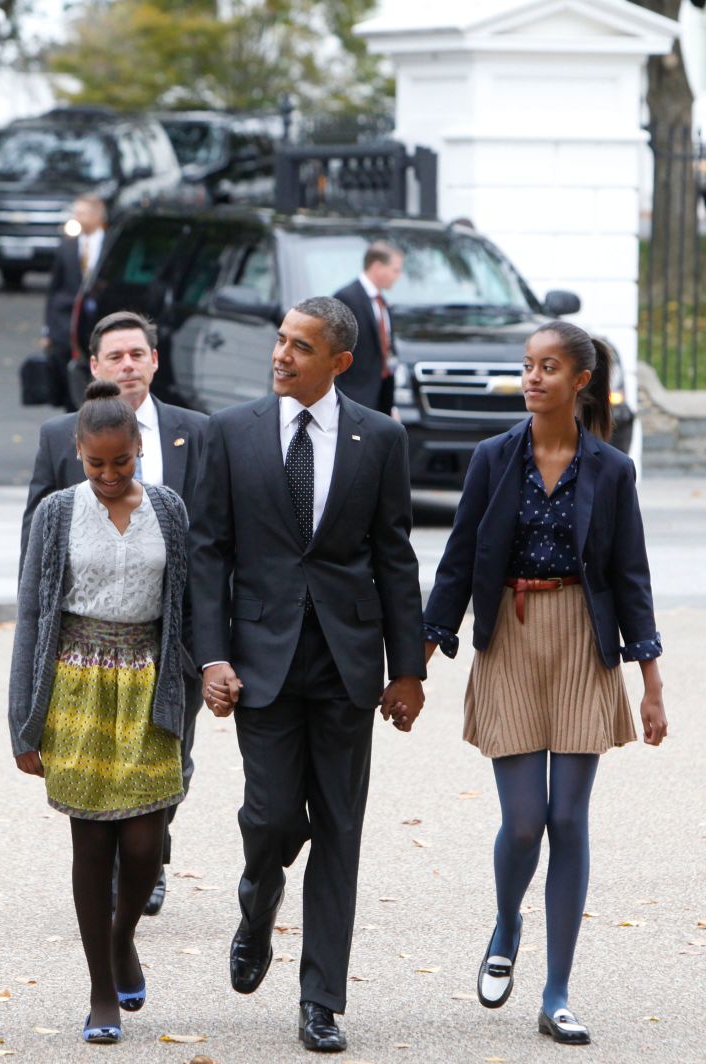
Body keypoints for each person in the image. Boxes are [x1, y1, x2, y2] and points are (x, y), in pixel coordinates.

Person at [190, 296, 426, 1053]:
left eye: (301, 346)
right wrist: (214, 655)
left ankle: (321, 998)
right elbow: (208, 554)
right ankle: (258, 901)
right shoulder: (232, 433)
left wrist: (408, 667)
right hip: (260, 661)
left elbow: (393, 554)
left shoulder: (380, 438)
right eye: (281, 341)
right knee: (270, 819)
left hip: (346, 663)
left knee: (340, 830)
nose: (282, 355)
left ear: (340, 362)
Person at [423, 320, 667, 1046]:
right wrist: (420, 659)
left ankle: (557, 992)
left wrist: (650, 682)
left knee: (569, 820)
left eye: (548, 367)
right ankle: (506, 922)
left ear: (579, 381)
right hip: (512, 639)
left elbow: (631, 578)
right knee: (526, 820)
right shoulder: (494, 458)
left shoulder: (611, 470)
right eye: (528, 366)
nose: (532, 378)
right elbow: (461, 558)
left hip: (583, 643)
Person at [9, 380, 189, 1044]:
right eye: (96, 464)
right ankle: (99, 989)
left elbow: (185, 610)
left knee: (146, 844)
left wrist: (205, 680)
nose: (110, 475)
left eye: (122, 461)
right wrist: (22, 723)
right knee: (92, 842)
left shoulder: (169, 509)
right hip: (77, 687)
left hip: (148, 685)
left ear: (140, 447)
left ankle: (122, 938)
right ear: (79, 455)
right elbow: (32, 618)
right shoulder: (56, 514)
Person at [21, 309, 208, 916]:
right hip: (84, 651)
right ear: (96, 367)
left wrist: (212, 649)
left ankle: (148, 855)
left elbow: (211, 548)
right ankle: (123, 881)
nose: (128, 364)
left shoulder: (196, 432)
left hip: (164, 645)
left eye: (138, 353)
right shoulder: (57, 439)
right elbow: (38, 555)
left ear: (155, 360)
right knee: (96, 787)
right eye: (115, 356)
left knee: (166, 770)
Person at [43, 195, 107, 411]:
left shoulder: (110, 245)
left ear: (96, 216)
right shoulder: (66, 248)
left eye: (81, 213)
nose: (76, 218)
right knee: (70, 376)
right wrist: (48, 331)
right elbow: (54, 289)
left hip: (97, 320)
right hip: (65, 323)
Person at [334, 241, 403, 415]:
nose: (398, 276)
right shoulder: (347, 298)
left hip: (380, 398)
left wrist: (390, 404)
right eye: (395, 270)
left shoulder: (382, 302)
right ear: (378, 266)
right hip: (355, 397)